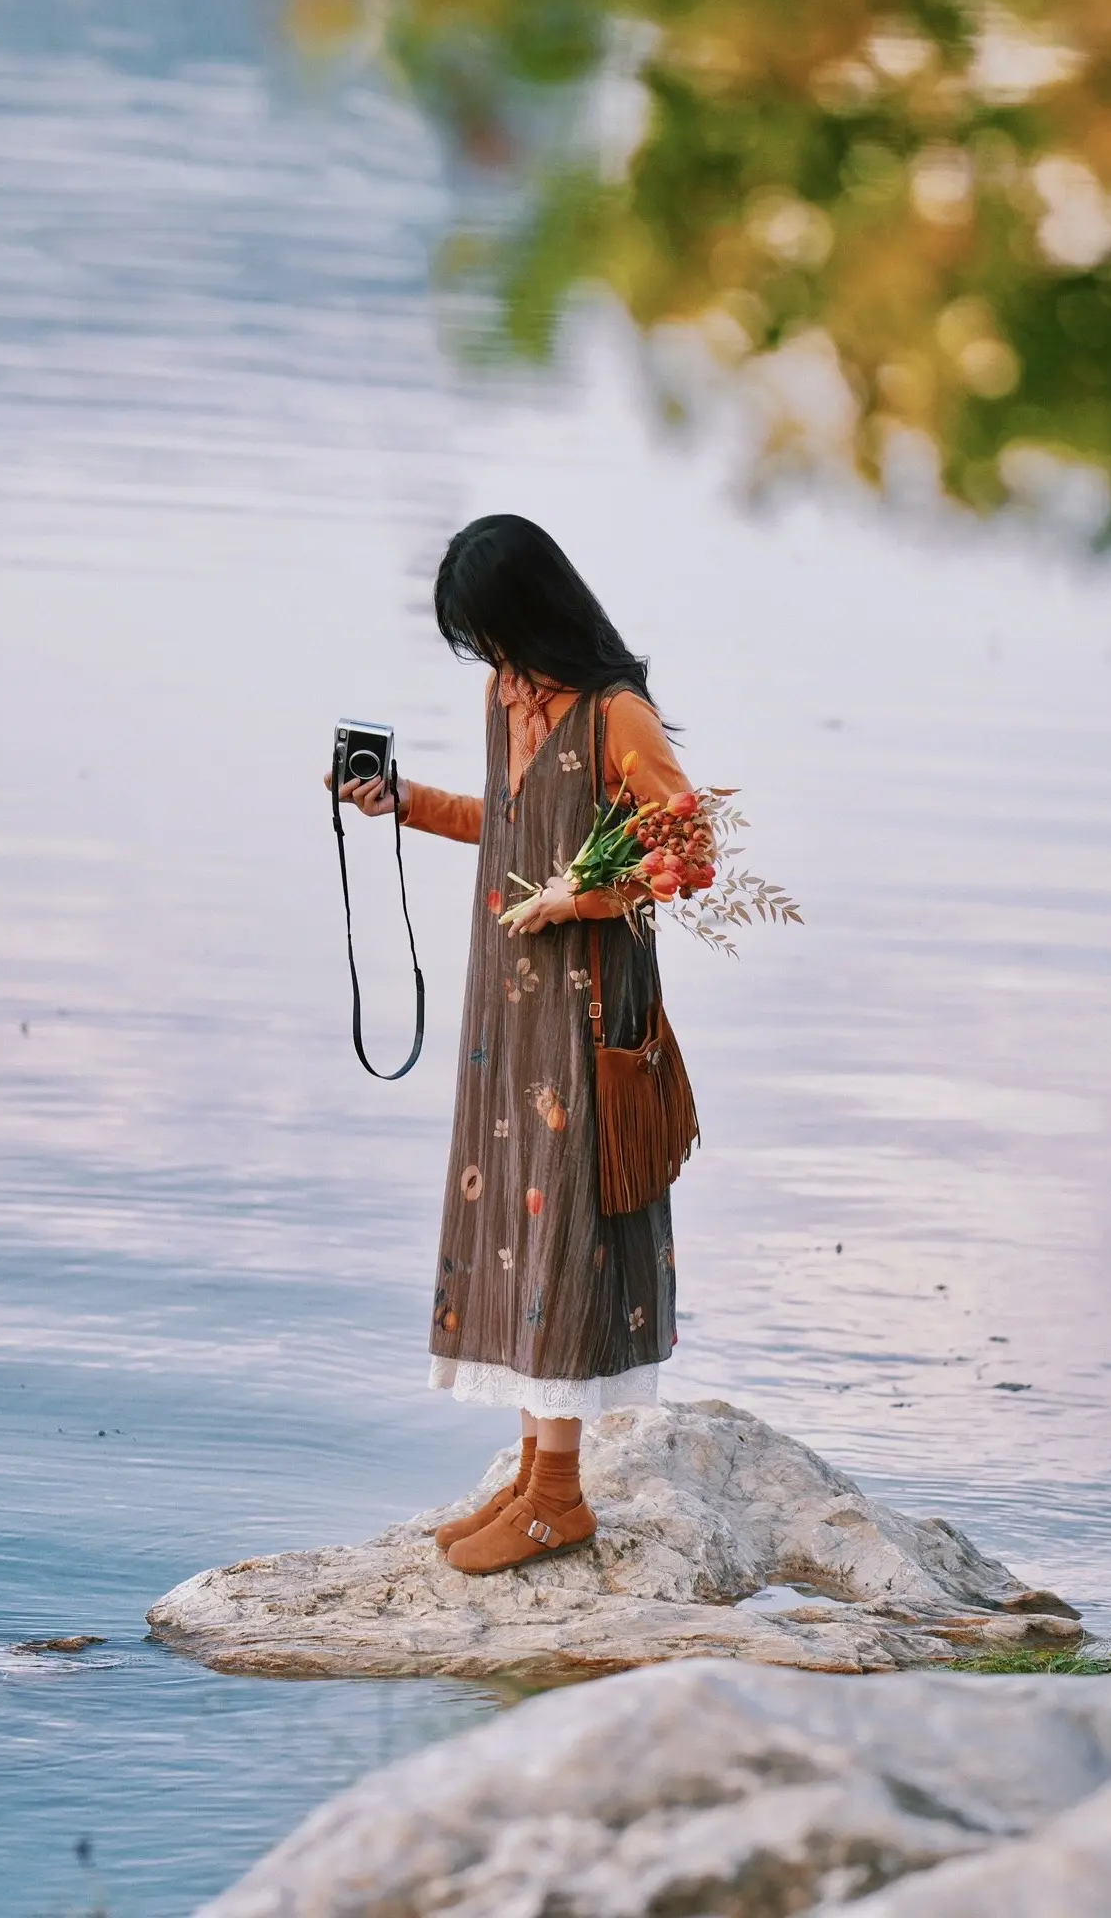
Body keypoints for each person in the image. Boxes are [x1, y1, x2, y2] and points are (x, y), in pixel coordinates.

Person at [328, 515, 695, 1575]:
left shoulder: (616, 714)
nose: (489, 661)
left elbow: (685, 849)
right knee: (517, 1228)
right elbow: (512, 822)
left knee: (570, 1225)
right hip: (509, 1009)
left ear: (531, 615)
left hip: (584, 1007)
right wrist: (401, 805)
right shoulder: (509, 696)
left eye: (493, 636)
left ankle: (562, 1498)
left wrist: (579, 896)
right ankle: (535, 1479)